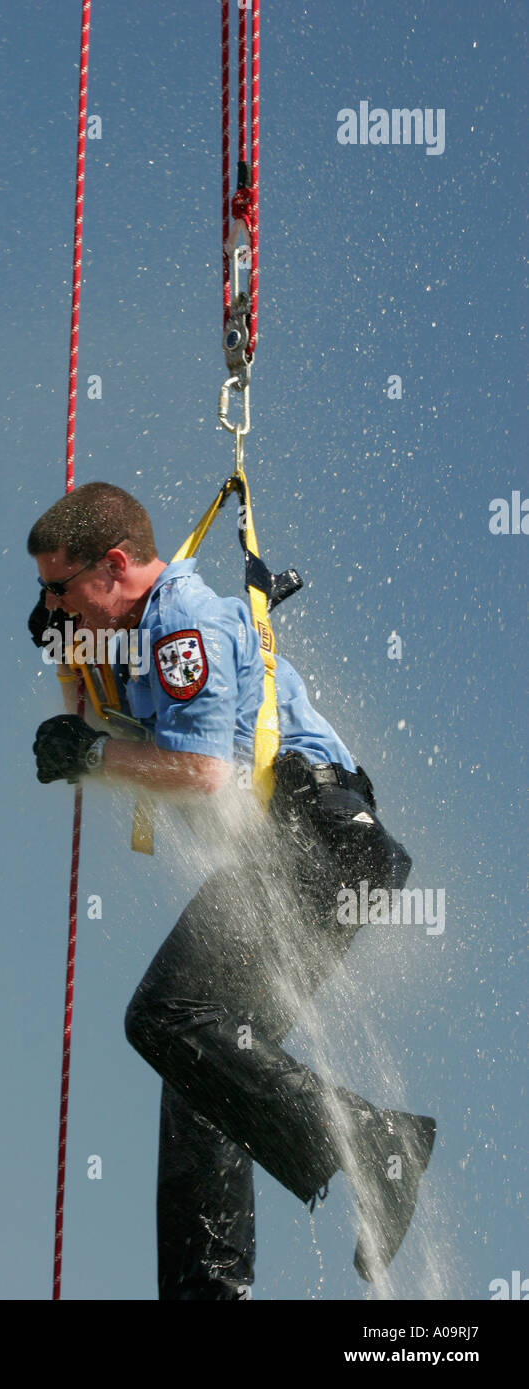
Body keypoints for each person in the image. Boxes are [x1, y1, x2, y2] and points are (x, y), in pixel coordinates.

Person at [27, 480, 436, 1300]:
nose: (50, 603)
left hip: (326, 844)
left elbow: (204, 773)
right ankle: (207, 1293)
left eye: (59, 587)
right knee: (203, 1068)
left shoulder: (184, 623)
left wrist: (91, 757)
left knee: (164, 1016)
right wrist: (64, 646)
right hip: (298, 857)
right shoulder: (120, 636)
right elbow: (93, 702)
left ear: (114, 566)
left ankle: (377, 1141)